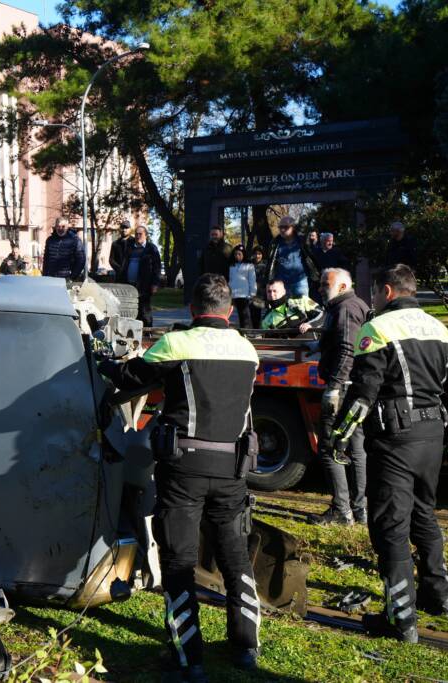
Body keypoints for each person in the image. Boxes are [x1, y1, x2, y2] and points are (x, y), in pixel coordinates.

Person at [99, 274, 262, 679]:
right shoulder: (247, 350)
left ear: (192, 309)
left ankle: (188, 659)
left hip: (184, 468)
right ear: (229, 310)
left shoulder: (176, 344)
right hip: (233, 469)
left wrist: (102, 361)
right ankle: (245, 646)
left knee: (179, 561)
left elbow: (130, 379)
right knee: (235, 557)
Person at [327, 265, 448, 642]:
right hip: (433, 436)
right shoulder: (443, 332)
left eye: (376, 293)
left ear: (389, 292)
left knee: (390, 527)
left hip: (395, 436)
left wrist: (340, 437)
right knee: (424, 514)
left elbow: (364, 394)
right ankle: (439, 596)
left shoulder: (378, 329)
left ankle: (401, 619)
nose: (374, 300)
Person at [309, 269, 370, 526]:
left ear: (343, 285)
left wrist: (333, 387)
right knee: (356, 449)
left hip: (342, 389)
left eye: (327, 283)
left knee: (329, 448)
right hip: (354, 387)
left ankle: (341, 511)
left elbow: (347, 349)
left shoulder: (345, 308)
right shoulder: (351, 305)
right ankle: (359, 510)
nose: (322, 287)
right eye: (321, 283)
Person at [266, 216, 320, 298]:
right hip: (280, 283)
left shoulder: (302, 240)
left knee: (302, 307)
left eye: (285, 227)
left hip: (300, 281)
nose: (282, 229)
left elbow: (311, 258)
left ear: (293, 227)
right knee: (282, 309)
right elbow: (271, 263)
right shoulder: (275, 243)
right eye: (280, 227)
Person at [120, 225, 161, 328]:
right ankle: (135, 333)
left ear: (146, 235)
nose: (138, 236)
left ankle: (148, 334)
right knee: (131, 311)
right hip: (129, 286)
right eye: (136, 234)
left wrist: (155, 284)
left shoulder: (151, 248)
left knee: (144, 311)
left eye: (140, 234)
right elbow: (124, 265)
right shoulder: (130, 248)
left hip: (144, 285)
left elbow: (157, 267)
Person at [229, 245, 257, 329]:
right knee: (233, 315)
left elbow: (252, 280)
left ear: (243, 254)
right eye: (235, 254)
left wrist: (252, 293)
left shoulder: (249, 265)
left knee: (244, 316)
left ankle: (246, 331)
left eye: (239, 254)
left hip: (244, 295)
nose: (237, 256)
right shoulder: (231, 265)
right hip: (233, 294)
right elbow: (230, 279)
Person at [250, 247, 268, 329]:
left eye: (259, 254)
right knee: (253, 312)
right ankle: (255, 329)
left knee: (261, 312)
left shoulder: (265, 265)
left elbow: (267, 278)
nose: (257, 256)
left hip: (261, 292)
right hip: (251, 291)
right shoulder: (250, 265)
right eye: (256, 254)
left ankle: (262, 329)